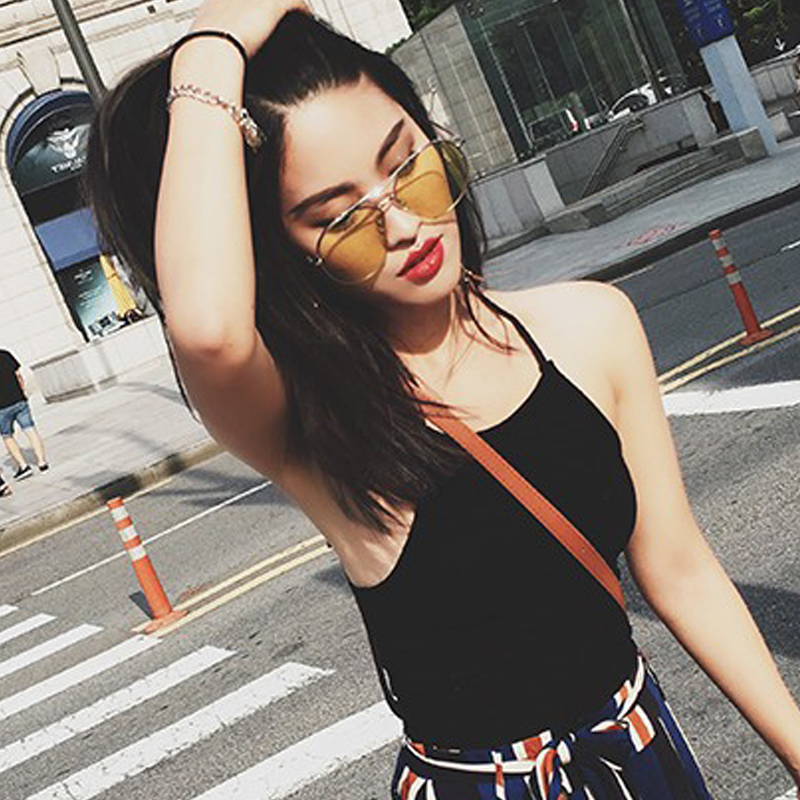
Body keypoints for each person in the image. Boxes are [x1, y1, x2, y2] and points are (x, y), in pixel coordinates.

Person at [83, 3, 800, 797]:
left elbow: (680, 571)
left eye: (409, 166)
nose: (401, 224)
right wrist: (206, 55)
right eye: (342, 218)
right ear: (285, 253)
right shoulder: (317, 421)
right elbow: (210, 331)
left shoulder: (593, 325)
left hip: (638, 756)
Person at [0, 348, 48, 479]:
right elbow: (19, 375)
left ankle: (23, 466)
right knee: (30, 430)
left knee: (7, 436)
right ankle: (42, 462)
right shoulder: (5, 354)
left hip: (1, 407)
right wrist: (22, 392)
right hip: (19, 400)